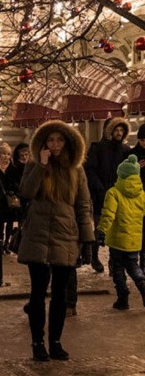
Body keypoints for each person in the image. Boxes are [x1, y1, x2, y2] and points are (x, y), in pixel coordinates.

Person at [17, 121, 94, 362]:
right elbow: (26, 192)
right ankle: (38, 342)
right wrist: (41, 165)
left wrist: (88, 238)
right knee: (38, 292)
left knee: (60, 293)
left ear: (68, 142)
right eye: (50, 140)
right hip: (38, 234)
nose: (55, 145)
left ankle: (56, 341)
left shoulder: (76, 169)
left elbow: (83, 205)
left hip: (65, 234)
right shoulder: (34, 165)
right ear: (43, 143)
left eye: (60, 140)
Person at [97, 155, 145, 310]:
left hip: (118, 239)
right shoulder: (142, 193)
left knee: (117, 266)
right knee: (132, 264)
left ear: (121, 175)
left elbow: (108, 214)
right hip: (135, 239)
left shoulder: (114, 192)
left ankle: (122, 297)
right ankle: (142, 281)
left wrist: (101, 231)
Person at [84, 117, 131, 274]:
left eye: (121, 130)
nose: (119, 133)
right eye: (116, 130)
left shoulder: (125, 151)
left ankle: (113, 261)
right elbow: (89, 170)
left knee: (116, 230)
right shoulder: (97, 148)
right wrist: (100, 188)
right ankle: (94, 256)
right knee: (100, 229)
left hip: (118, 197)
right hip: (101, 197)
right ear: (109, 131)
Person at [130, 124, 145, 269]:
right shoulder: (132, 155)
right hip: (136, 199)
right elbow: (123, 176)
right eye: (143, 140)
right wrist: (137, 168)